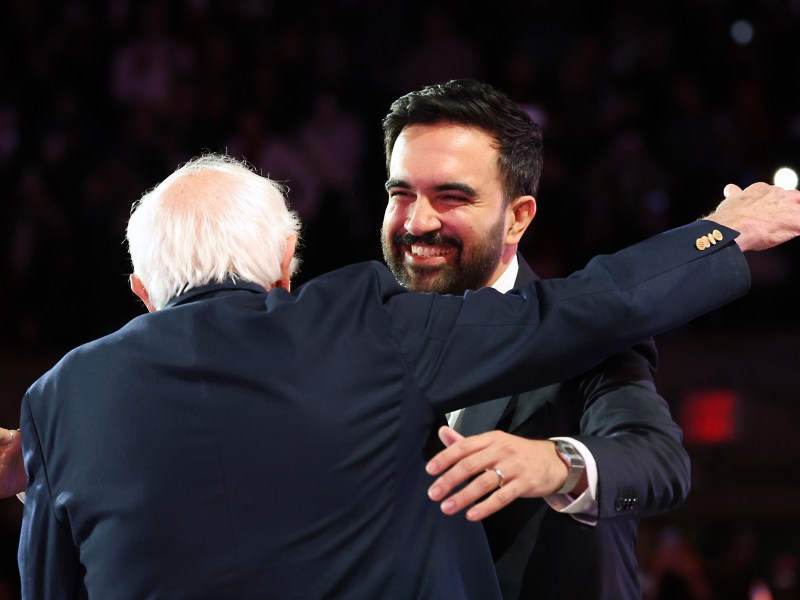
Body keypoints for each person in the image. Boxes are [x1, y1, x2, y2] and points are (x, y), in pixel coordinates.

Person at [7, 152, 800, 599]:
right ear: (287, 264)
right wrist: (720, 234)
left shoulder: (58, 398)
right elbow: (583, 311)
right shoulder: (359, 316)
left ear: (142, 292)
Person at [378, 78, 685, 598]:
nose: (417, 221)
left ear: (518, 217)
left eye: (450, 196)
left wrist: (555, 464)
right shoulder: (361, 330)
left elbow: (658, 462)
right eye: (401, 193)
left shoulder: (589, 335)